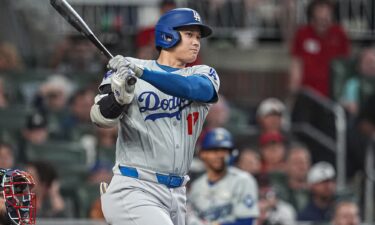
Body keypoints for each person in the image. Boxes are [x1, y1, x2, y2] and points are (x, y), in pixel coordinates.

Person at [90, 8, 219, 225]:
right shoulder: (126, 69)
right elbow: (100, 118)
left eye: (198, 37)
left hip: (177, 193)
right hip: (134, 186)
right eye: (189, 35)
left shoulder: (203, 73)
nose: (196, 42)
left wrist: (142, 74)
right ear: (168, 35)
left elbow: (193, 89)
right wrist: (119, 99)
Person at [188, 128, 259, 225]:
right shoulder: (197, 186)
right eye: (213, 150)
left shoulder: (243, 180)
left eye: (224, 150)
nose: (219, 155)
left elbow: (246, 222)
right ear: (202, 154)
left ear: (232, 154)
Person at [289, 0, 350, 97]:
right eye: (319, 19)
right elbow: (296, 63)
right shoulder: (302, 34)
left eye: (326, 19)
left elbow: (346, 65)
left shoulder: (339, 34)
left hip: (332, 92)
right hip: (308, 92)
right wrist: (294, 88)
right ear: (312, 18)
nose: (323, 23)